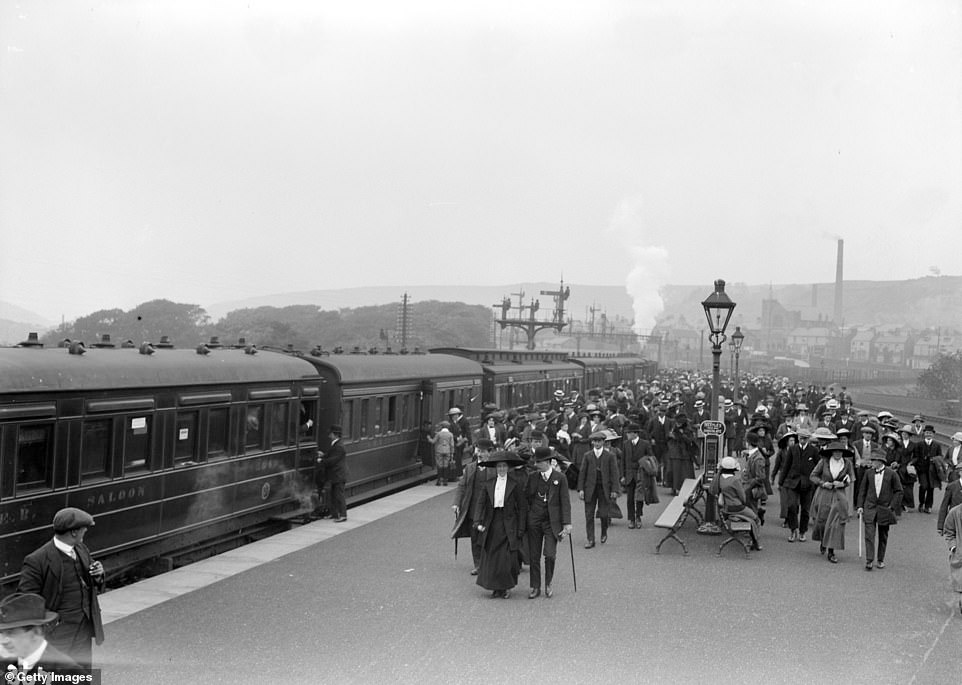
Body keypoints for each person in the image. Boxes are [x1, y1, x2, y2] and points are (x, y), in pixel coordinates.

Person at [17, 508, 104, 670]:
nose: (86, 531)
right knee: (55, 677)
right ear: (74, 532)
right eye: (84, 528)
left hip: (83, 629)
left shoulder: (81, 549)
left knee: (83, 675)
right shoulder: (37, 560)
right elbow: (26, 600)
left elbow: (91, 580)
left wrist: (98, 575)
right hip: (57, 635)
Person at [475, 451, 527, 598]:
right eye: (499, 467)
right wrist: (477, 521)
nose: (502, 469)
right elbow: (481, 503)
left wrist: (521, 528)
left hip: (509, 523)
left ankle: (506, 587)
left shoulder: (515, 484)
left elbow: (522, 507)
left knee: (506, 559)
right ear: (496, 468)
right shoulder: (489, 483)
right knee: (492, 557)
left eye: (504, 466)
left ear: (508, 468)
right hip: (492, 522)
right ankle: (495, 587)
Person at [523, 447, 572, 599]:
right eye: (536, 461)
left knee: (550, 554)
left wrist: (567, 523)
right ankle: (535, 586)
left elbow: (565, 502)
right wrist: (529, 515)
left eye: (540, 462)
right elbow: (526, 497)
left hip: (552, 522)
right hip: (535, 520)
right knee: (534, 555)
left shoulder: (560, 478)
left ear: (549, 462)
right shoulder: (532, 477)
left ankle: (548, 582)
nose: (537, 464)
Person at [0, 593, 79, 676]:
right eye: (1, 632)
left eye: (10, 632)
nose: (3, 641)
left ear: (36, 632)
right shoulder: (7, 665)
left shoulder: (68, 674)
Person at [451, 439, 494, 576]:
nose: (479, 454)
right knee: (475, 537)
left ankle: (487, 562)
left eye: (482, 451)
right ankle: (478, 564)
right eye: (478, 451)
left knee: (488, 536)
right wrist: (457, 503)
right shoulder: (470, 468)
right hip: (472, 509)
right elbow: (462, 486)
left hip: (488, 509)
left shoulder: (495, 469)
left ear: (489, 452)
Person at [810, 442, 856, 564]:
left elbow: (851, 478)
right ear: (831, 452)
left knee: (835, 524)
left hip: (839, 496)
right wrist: (823, 483)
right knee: (822, 521)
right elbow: (813, 476)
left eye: (840, 452)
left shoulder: (847, 464)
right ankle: (823, 542)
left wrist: (843, 483)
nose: (837, 454)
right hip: (824, 494)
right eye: (835, 451)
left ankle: (831, 551)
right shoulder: (824, 462)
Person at [856, 452, 903, 571]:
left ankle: (880, 559)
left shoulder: (891, 474)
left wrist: (892, 507)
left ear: (880, 461)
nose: (871, 463)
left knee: (883, 536)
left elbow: (899, 491)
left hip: (884, 509)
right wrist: (860, 506)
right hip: (870, 507)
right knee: (869, 535)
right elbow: (862, 490)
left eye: (874, 461)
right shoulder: (868, 473)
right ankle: (869, 560)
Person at [576, 431, 621, 549]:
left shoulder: (610, 456)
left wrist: (615, 490)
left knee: (604, 513)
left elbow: (614, 474)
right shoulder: (587, 456)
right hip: (590, 489)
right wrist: (580, 489)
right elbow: (582, 473)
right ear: (592, 442)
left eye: (599, 441)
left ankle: (604, 531)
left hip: (604, 488)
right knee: (589, 515)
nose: (596, 443)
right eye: (594, 441)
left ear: (603, 442)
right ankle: (590, 539)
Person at [709, 456, 762, 550]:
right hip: (738, 508)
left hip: (727, 508)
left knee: (750, 519)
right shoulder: (735, 480)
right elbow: (743, 497)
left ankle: (754, 541)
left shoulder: (719, 478)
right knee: (756, 519)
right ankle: (755, 542)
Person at [620, 423, 653, 528]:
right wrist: (622, 475)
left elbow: (650, 458)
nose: (627, 435)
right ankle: (631, 519)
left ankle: (638, 516)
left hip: (640, 474)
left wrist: (645, 466)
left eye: (629, 433)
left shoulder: (645, 444)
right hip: (629, 475)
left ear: (635, 434)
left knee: (639, 497)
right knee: (629, 498)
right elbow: (623, 461)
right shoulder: (626, 444)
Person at [316, 425, 348, 522]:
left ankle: (343, 515)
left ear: (335, 434)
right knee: (332, 495)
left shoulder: (339, 446)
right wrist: (323, 455)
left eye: (330, 433)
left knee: (339, 495)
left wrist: (321, 461)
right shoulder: (336, 444)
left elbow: (333, 460)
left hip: (338, 474)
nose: (329, 435)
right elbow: (332, 455)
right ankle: (334, 514)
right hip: (335, 474)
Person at [912, 425, 943, 514]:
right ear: (924, 434)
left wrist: (935, 459)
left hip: (932, 470)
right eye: (927, 433)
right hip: (922, 469)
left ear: (933, 434)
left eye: (930, 433)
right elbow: (916, 457)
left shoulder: (937, 445)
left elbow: (940, 456)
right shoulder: (919, 444)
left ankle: (928, 506)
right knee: (923, 486)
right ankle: (921, 503)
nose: (928, 434)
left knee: (931, 488)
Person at [937, 462, 962, 535]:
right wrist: (940, 526)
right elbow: (944, 506)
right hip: (955, 523)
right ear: (960, 472)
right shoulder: (952, 487)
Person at [428, 420, 455, 485]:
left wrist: (429, 438)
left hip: (439, 451)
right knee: (445, 465)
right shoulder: (450, 434)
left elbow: (433, 442)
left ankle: (439, 480)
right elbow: (452, 445)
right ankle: (445, 481)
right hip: (447, 451)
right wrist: (452, 454)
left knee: (439, 465)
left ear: (442, 427)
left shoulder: (438, 434)